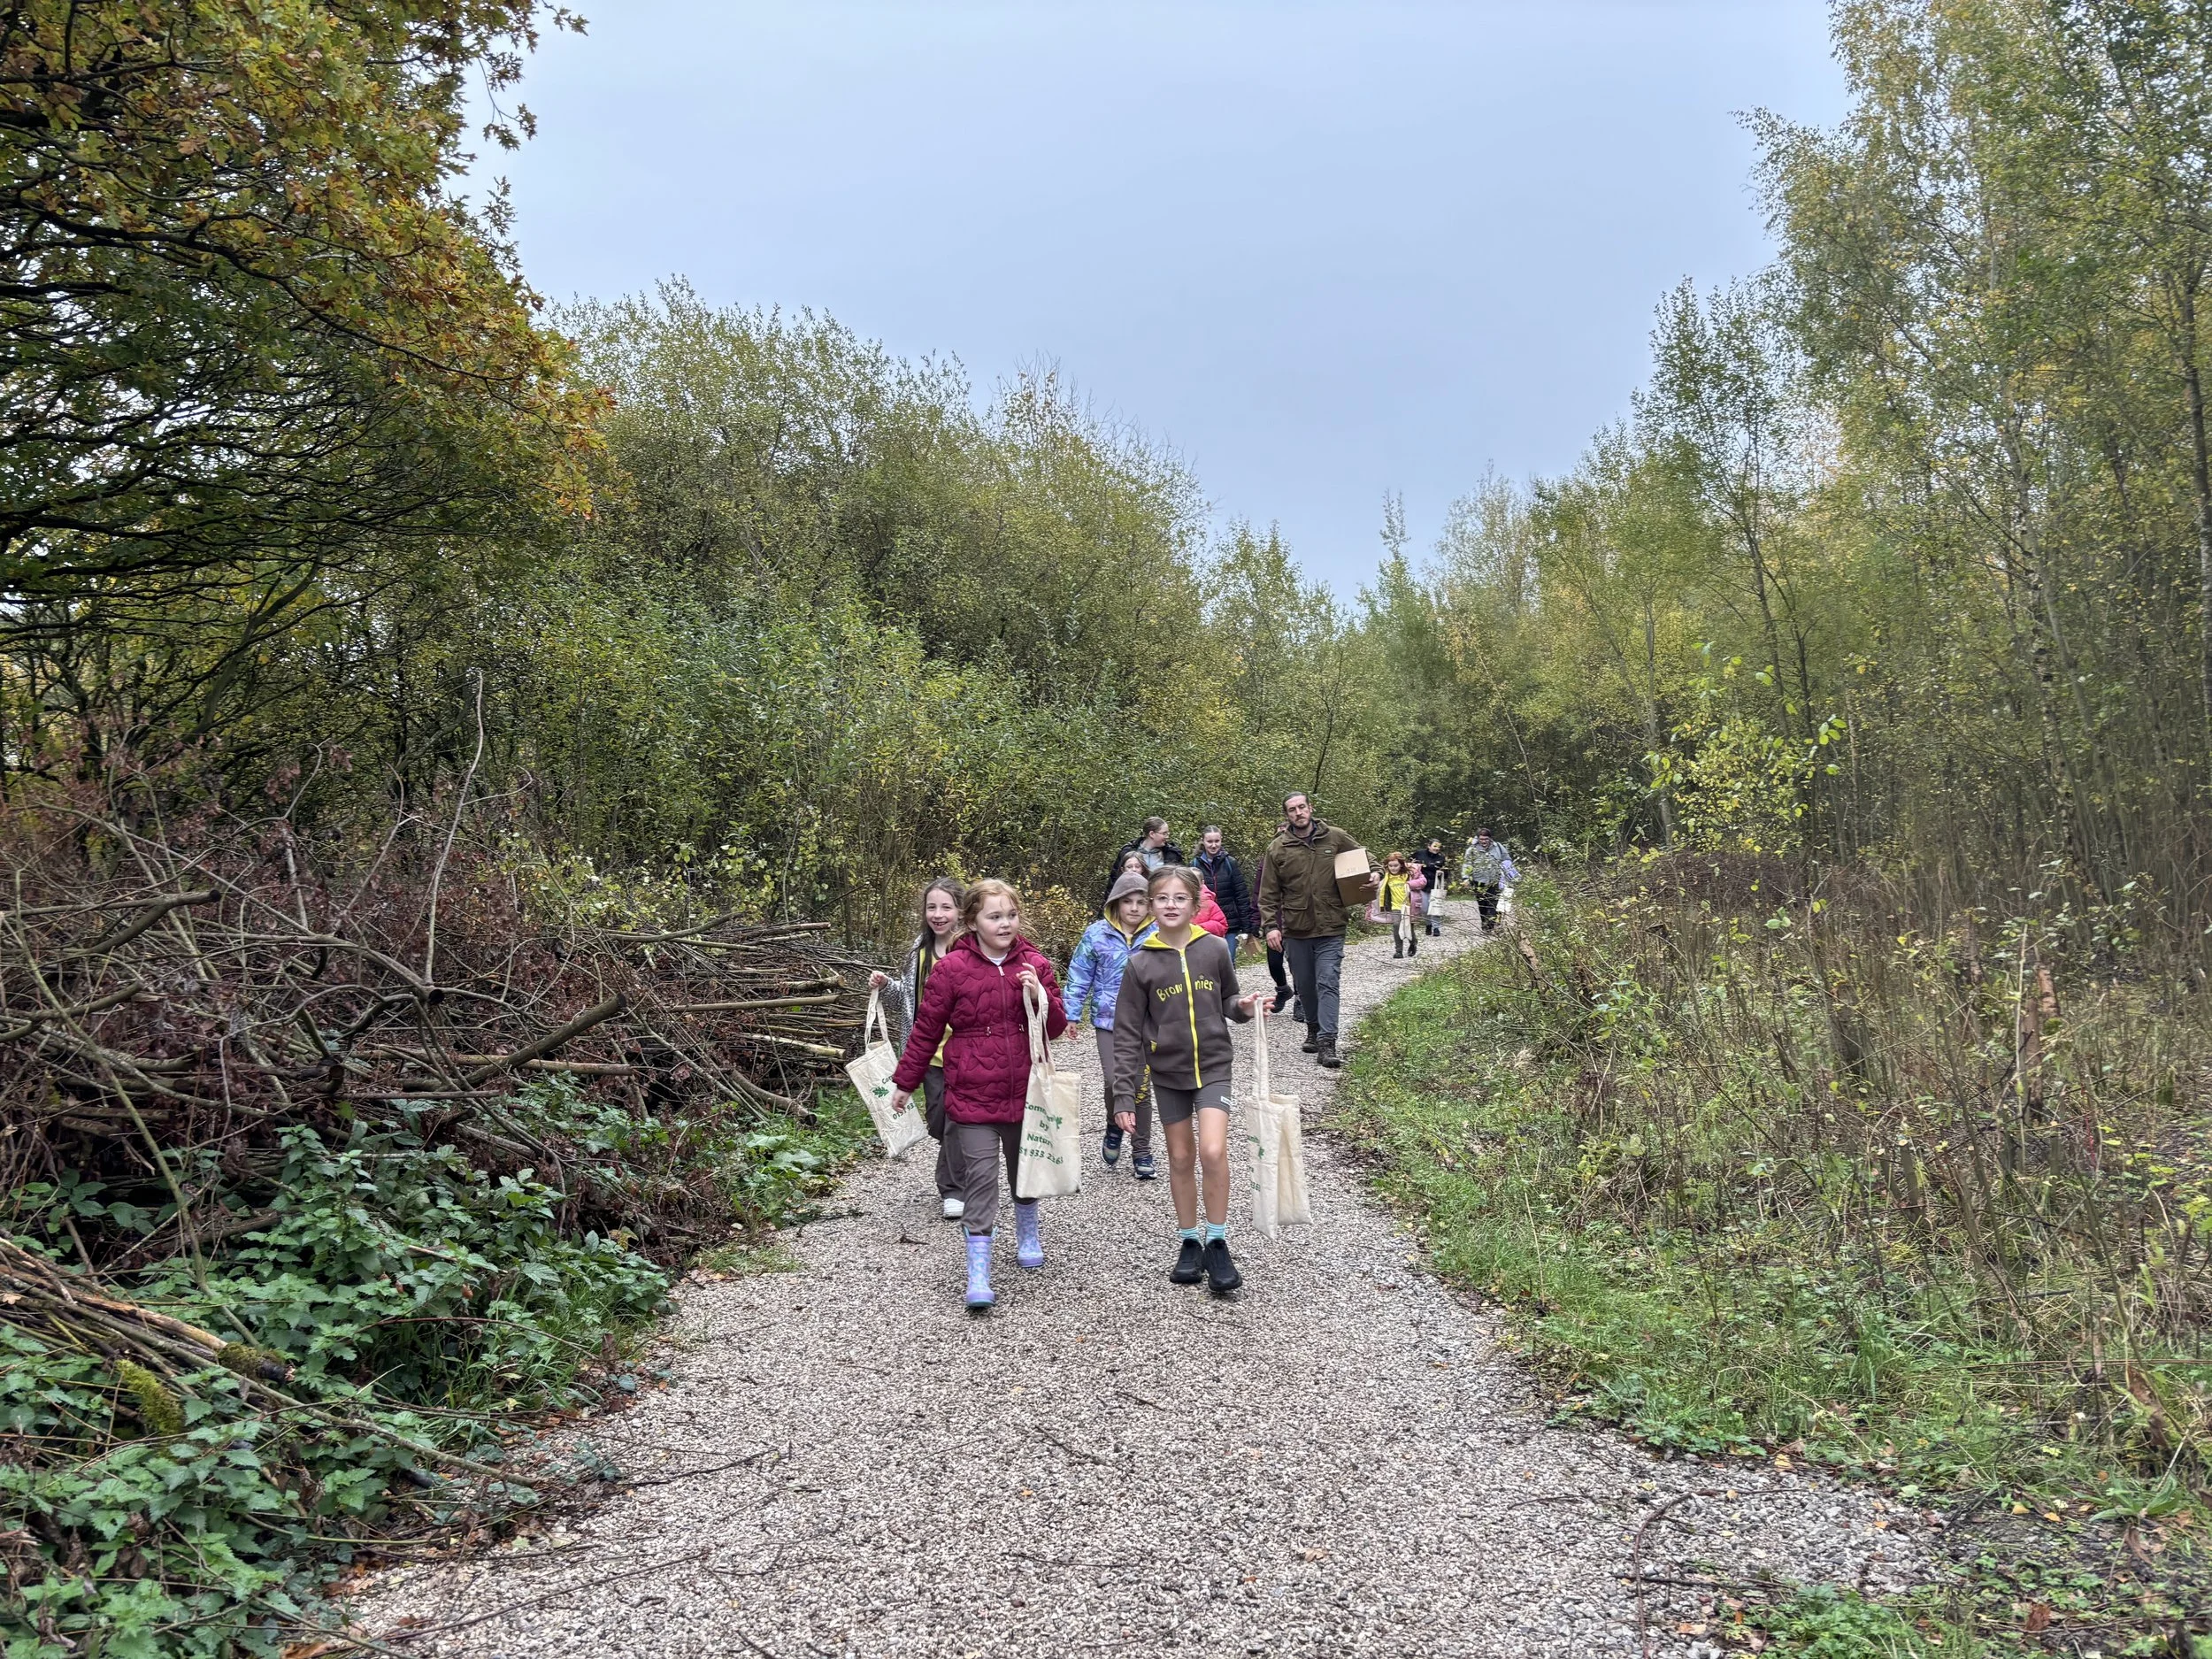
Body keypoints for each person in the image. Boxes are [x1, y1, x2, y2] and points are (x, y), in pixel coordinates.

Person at [889, 879, 1069, 1310]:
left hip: (1027, 1092)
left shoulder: (1036, 963)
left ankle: (1027, 1231)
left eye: (1010, 915)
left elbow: (1059, 1027)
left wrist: (1039, 996)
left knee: (1023, 1173)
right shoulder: (951, 969)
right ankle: (978, 1269)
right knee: (981, 1180)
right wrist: (904, 1082)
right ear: (972, 922)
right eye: (994, 916)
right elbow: (926, 1030)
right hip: (971, 1094)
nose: (1004, 923)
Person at [1111, 866, 1261, 1294]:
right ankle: (1189, 1241)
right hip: (1168, 1074)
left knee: (1213, 1149)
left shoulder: (1214, 949)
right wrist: (1124, 1096)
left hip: (1214, 1066)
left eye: (1180, 898)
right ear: (1149, 907)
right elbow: (1126, 1034)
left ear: (1196, 906)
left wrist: (1245, 1007)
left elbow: (1228, 1000)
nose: (1171, 905)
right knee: (1179, 1156)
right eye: (1162, 899)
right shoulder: (1140, 964)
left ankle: (1218, 1240)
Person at [872, 879, 967, 1219]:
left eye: (945, 907)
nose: (938, 915)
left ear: (960, 910)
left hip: (968, 1051)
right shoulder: (919, 952)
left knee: (957, 1116)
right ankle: (963, 1158)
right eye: (932, 907)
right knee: (939, 1117)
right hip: (928, 1051)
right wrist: (886, 987)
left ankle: (953, 1188)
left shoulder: (972, 947)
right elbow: (905, 1002)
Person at [1257, 791, 1368, 1070]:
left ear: (1310, 808)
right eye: (1292, 810)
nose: (1298, 813)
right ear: (1287, 816)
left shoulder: (1335, 837)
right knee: (1305, 986)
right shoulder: (1278, 849)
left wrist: (1375, 874)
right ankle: (1313, 1028)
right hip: (1297, 929)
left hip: (1331, 925)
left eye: (1302, 807)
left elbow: (1368, 861)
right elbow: (1268, 893)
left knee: (1328, 982)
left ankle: (1328, 1043)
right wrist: (1271, 926)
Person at [1064, 871, 1159, 1179]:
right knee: (1113, 1080)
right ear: (1115, 904)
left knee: (1140, 1086)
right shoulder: (1096, 934)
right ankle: (1114, 1123)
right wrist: (1072, 1013)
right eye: (1127, 902)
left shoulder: (1158, 934)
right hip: (1109, 1020)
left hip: (1147, 1020)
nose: (1134, 908)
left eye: (1141, 902)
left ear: (1149, 905)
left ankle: (1142, 1149)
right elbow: (1079, 974)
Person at [1193, 826, 1255, 964]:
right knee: (1207, 962)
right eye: (1210, 842)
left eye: (1217, 841)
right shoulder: (1195, 864)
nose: (1214, 845)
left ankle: (1229, 985)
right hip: (1206, 922)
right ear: (1203, 841)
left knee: (1228, 960)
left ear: (1221, 841)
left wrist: (1247, 927)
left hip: (1230, 922)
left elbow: (1241, 895)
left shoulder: (1230, 863)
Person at [1103, 817, 1187, 898]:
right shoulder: (1128, 852)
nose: (1167, 837)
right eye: (1164, 833)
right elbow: (1114, 882)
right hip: (1133, 900)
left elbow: (1181, 882)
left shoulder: (1172, 854)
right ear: (1152, 834)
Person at [1460, 827, 1522, 933]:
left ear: (1490, 838)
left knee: (1494, 904)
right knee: (1483, 904)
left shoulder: (1498, 847)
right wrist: (1466, 878)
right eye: (1481, 839)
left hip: (1496, 880)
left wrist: (1506, 869)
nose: (1484, 841)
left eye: (1486, 839)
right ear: (1478, 838)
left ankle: (1491, 925)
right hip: (1479, 881)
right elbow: (1467, 864)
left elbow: (1507, 859)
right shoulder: (1472, 850)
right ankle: (1484, 923)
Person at [1377, 852, 1421, 959]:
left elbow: (1423, 881)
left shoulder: (1410, 874)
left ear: (1401, 864)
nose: (1393, 868)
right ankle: (1398, 951)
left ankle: (1413, 943)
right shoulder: (1386, 876)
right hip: (1395, 905)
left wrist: (1410, 884)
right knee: (1396, 926)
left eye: (1395, 865)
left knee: (1409, 927)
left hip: (1409, 905)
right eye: (1390, 866)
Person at [1414, 838, 1449, 937]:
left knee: (1436, 907)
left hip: (1436, 885)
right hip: (1423, 884)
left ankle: (1436, 928)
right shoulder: (1419, 854)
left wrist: (1443, 872)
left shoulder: (1441, 858)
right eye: (1434, 846)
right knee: (1425, 908)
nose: (1437, 848)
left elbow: (1446, 873)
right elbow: (1411, 866)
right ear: (1429, 846)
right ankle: (1428, 924)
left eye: (1438, 847)